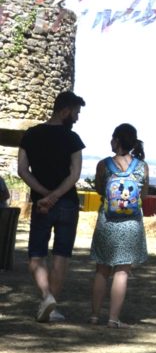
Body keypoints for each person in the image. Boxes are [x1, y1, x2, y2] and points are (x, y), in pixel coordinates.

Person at [17, 90, 86, 323]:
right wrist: (55, 195)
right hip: (67, 203)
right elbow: (74, 175)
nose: (77, 118)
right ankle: (52, 306)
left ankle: (46, 297)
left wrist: (45, 195)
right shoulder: (73, 139)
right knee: (61, 255)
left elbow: (22, 170)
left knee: (37, 253)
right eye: (76, 113)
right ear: (65, 111)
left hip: (41, 203)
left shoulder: (30, 135)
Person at [89, 123, 149, 328]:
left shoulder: (103, 165)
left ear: (116, 140)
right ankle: (113, 319)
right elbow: (144, 195)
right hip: (131, 224)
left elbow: (99, 190)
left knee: (101, 270)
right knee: (122, 272)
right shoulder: (142, 166)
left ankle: (94, 316)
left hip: (107, 221)